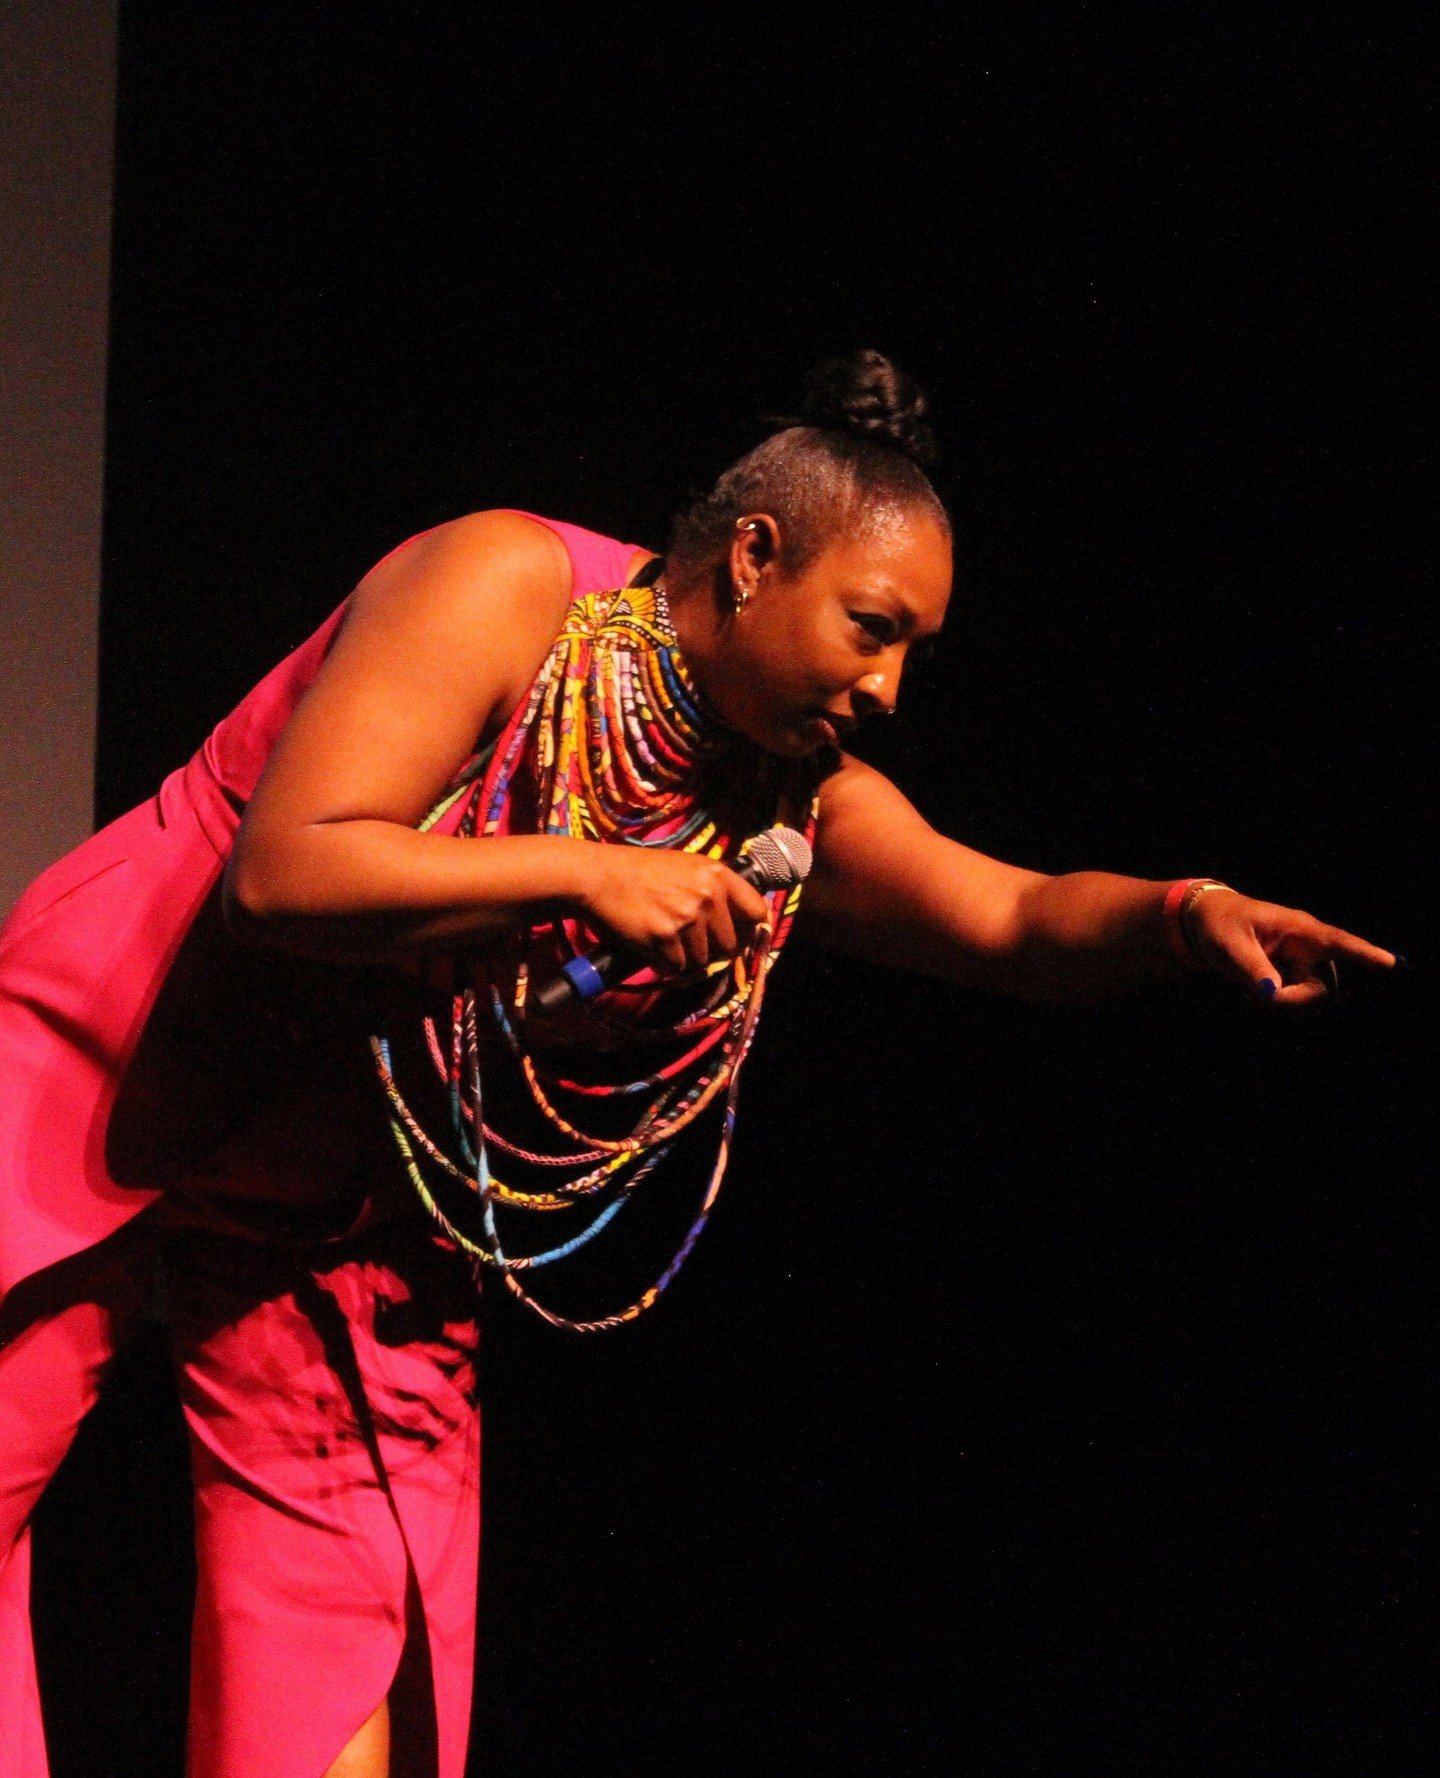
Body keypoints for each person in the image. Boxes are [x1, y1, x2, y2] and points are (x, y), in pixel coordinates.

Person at [0, 351, 1395, 1778]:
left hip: (359, 1196)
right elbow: (285, 874)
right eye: (871, 627)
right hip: (117, 1045)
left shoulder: (779, 799)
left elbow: (1013, 918)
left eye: (913, 653)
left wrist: (1181, 911)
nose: (887, 686)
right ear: (753, 556)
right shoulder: (506, 585)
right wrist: (587, 871)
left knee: (342, 1655)